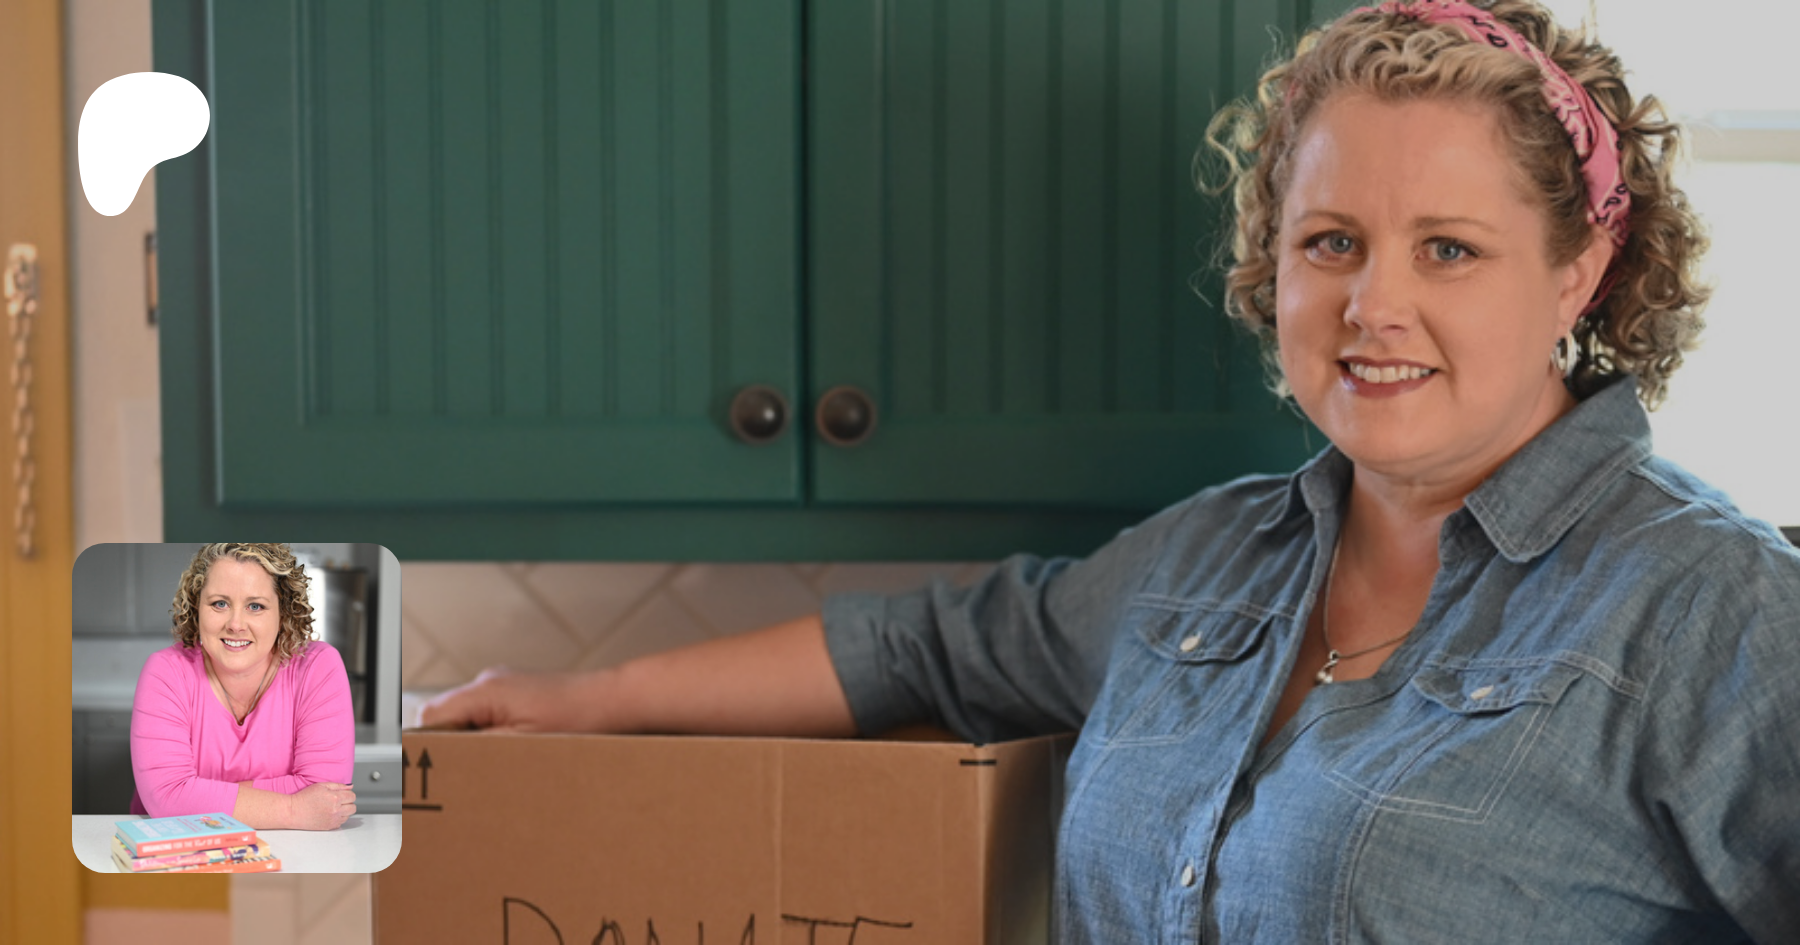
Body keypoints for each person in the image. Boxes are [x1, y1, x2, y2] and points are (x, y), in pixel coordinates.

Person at [422, 0, 1800, 939]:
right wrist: (579, 701)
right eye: (1330, 242)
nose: (1373, 306)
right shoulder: (1206, 565)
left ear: (1579, 270)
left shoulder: (1715, 607)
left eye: (1449, 249)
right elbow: (923, 649)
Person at [130, 543, 357, 830]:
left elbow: (327, 793)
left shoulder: (317, 667)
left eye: (255, 606)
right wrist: (292, 808)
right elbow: (167, 798)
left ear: (284, 613)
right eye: (219, 604)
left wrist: (198, 795)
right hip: (177, 843)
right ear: (196, 608)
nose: (236, 624)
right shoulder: (166, 672)